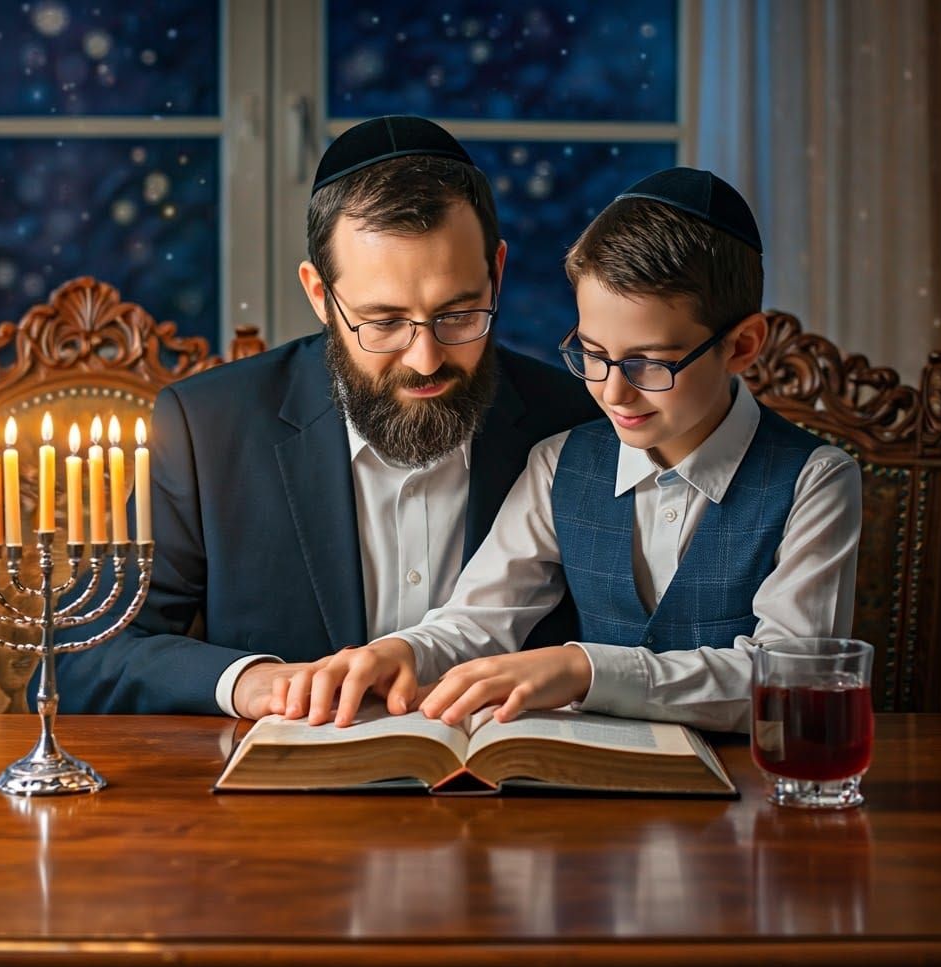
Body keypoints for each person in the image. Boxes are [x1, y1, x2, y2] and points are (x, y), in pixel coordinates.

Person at [35, 115, 599, 716]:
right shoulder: (208, 428)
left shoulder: (579, 420)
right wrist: (248, 682)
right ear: (319, 296)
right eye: (383, 322)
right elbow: (79, 658)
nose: (426, 357)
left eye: (459, 315)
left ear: (498, 272)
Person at [280, 167, 862, 733]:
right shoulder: (559, 463)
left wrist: (587, 669)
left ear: (741, 346)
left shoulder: (815, 481)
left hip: (750, 798)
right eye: (592, 353)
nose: (612, 391)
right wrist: (402, 651)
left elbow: (795, 679)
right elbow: (478, 618)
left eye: (649, 362)